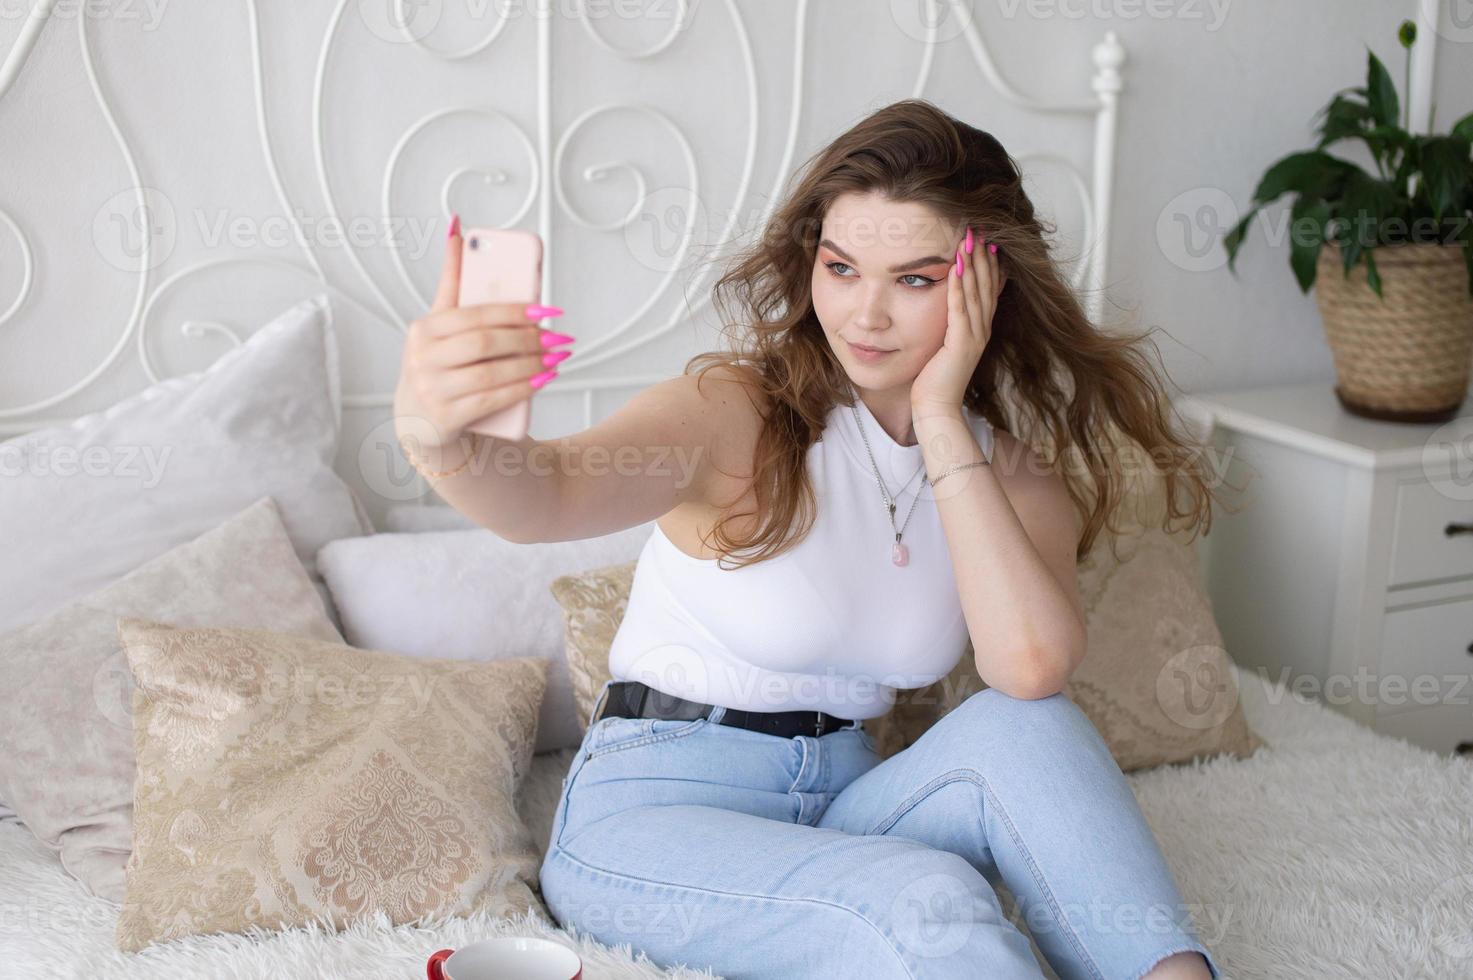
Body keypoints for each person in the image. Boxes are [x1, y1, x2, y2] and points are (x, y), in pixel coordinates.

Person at [394, 98, 1226, 979]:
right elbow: (546, 497)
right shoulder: (732, 413)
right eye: (841, 267)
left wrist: (942, 421)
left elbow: (1028, 669)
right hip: (652, 820)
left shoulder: (1009, 478)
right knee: (927, 898)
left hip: (843, 807)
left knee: (1033, 730)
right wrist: (438, 437)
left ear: (988, 288)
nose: (865, 315)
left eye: (915, 279)